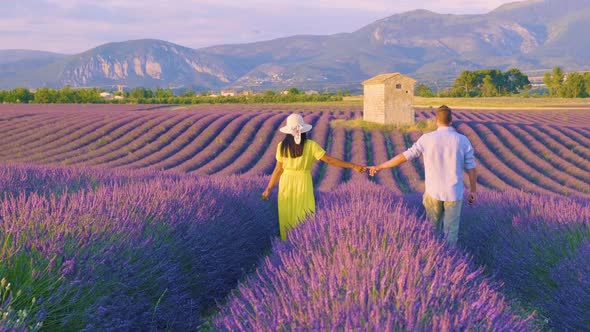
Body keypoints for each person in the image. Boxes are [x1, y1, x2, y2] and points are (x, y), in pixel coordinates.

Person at [368, 105, 477, 245]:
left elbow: (404, 156)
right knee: (451, 234)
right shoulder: (463, 140)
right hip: (454, 193)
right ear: (451, 120)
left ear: (436, 120)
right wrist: (473, 190)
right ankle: (449, 259)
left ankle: (433, 259)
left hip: (433, 191)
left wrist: (380, 166)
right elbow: (471, 168)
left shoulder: (427, 139)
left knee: (431, 231)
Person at [262, 113, 366, 240]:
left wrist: (268, 188)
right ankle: (304, 241)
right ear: (303, 130)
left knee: (287, 213)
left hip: (286, 182)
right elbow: (329, 160)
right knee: (304, 212)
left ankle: (287, 243)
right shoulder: (310, 145)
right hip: (303, 181)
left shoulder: (282, 146)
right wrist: (353, 166)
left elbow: (278, 169)